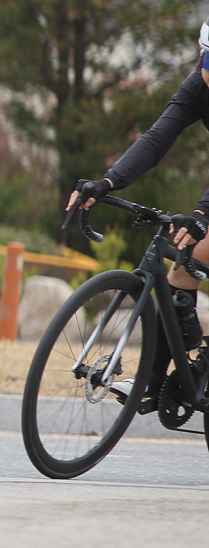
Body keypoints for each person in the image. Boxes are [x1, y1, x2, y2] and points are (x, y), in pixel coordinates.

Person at [69, 19, 209, 363]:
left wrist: (202, 213)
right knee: (184, 268)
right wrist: (108, 182)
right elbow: (157, 139)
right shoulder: (197, 85)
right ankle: (157, 381)